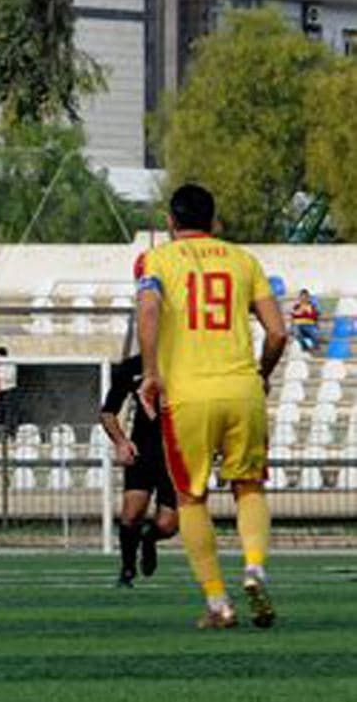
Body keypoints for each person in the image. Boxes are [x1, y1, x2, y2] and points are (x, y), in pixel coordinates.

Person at [137, 183, 287, 629]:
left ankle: (219, 604)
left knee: (190, 496)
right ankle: (255, 566)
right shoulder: (244, 260)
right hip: (243, 388)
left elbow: (147, 313)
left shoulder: (158, 259)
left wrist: (150, 372)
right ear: (214, 221)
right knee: (250, 487)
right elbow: (278, 332)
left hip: (188, 396)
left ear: (171, 222)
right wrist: (261, 374)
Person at [98, 353, 178, 588]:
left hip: (177, 454)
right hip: (143, 451)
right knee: (131, 515)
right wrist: (121, 442)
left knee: (167, 526)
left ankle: (149, 538)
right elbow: (108, 412)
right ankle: (127, 570)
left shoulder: (189, 360)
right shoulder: (133, 367)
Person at [291, 290, 321, 354]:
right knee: (296, 332)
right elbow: (294, 315)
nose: (303, 299)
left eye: (305, 297)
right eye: (302, 297)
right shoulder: (297, 306)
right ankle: (305, 347)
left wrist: (308, 311)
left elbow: (314, 316)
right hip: (298, 325)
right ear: (300, 298)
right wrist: (300, 311)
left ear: (308, 298)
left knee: (315, 333)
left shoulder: (312, 306)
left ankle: (316, 347)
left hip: (309, 325)